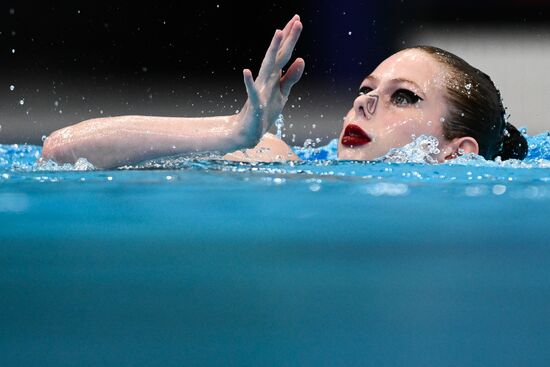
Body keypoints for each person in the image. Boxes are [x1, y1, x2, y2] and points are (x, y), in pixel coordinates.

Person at [40, 15, 527, 169]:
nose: (364, 103)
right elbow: (59, 151)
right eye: (365, 89)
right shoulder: (275, 161)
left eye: (404, 96)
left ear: (456, 152)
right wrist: (232, 133)